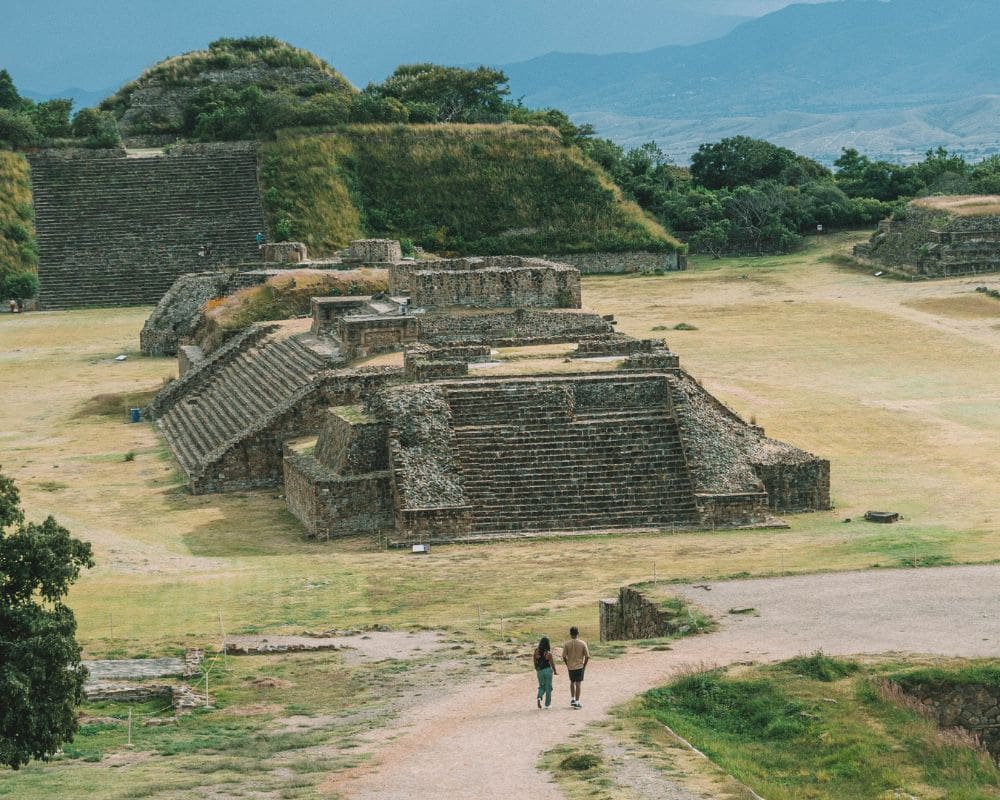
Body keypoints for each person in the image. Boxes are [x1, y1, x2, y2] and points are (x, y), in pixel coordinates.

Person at [562, 626, 590, 709]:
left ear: (570, 634)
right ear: (578, 633)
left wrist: (567, 664)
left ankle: (573, 699)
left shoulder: (567, 644)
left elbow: (564, 656)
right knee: (578, 684)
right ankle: (577, 702)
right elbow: (587, 656)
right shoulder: (582, 643)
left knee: (572, 682)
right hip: (579, 666)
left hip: (570, 666)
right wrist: (584, 665)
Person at [533, 636, 557, 709]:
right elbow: (552, 663)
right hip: (547, 670)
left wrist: (536, 668)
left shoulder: (536, 651)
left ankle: (539, 697)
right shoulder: (548, 653)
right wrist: (555, 671)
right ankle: (547, 704)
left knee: (541, 686)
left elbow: (534, 661)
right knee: (548, 687)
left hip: (539, 671)